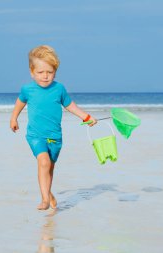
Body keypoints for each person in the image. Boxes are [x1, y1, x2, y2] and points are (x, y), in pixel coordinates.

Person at [10, 45, 97, 210]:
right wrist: (14, 118)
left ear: (55, 72)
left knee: (49, 168)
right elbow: (20, 102)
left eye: (49, 72)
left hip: (55, 137)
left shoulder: (59, 89)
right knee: (43, 162)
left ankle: (48, 193)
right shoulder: (27, 89)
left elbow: (71, 106)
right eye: (40, 72)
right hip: (35, 135)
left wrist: (86, 117)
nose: (45, 76)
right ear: (32, 72)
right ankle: (44, 199)